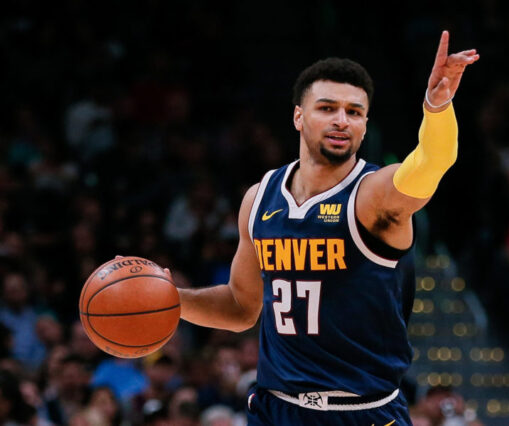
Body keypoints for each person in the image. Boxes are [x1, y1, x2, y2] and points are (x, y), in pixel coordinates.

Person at [175, 30, 478, 425]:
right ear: (299, 116)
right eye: (327, 108)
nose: (341, 120)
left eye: (354, 112)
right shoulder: (259, 198)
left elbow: (431, 163)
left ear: (365, 126)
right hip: (276, 407)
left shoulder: (374, 196)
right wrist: (173, 300)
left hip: (361, 412)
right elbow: (240, 306)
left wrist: (437, 106)